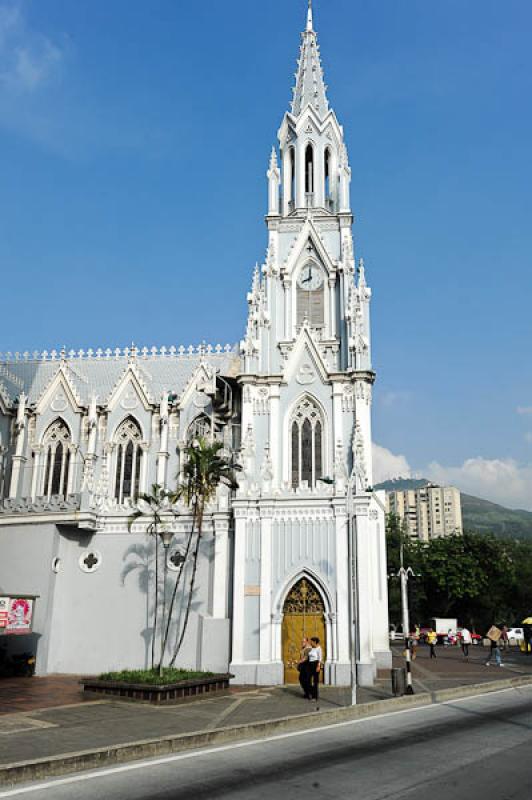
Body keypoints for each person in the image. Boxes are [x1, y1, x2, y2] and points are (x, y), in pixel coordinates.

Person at [307, 636, 323, 702]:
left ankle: (315, 697)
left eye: (312, 642)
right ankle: (310, 693)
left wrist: (318, 666)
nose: (311, 643)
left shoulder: (319, 648)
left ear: (315, 642)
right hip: (310, 665)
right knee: (308, 679)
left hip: (315, 664)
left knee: (315, 682)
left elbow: (320, 658)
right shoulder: (311, 648)